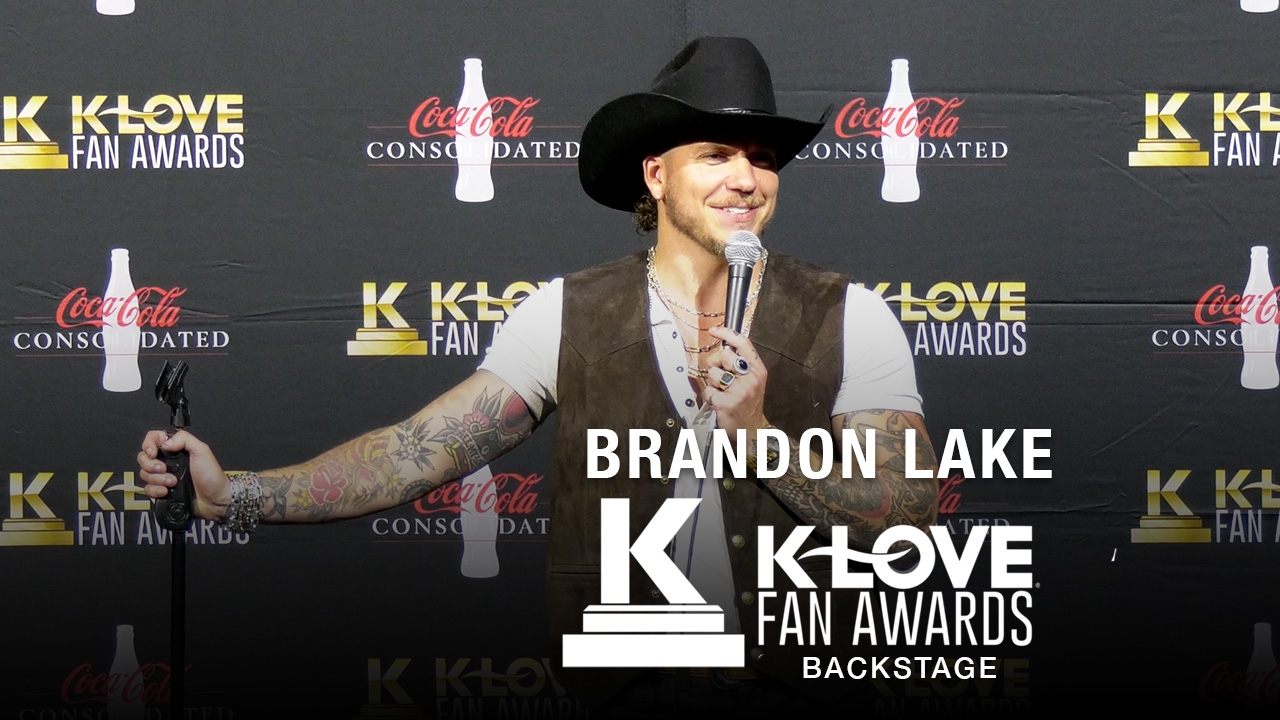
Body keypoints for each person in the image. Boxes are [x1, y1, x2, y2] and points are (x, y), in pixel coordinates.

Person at [138, 36, 938, 712]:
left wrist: (759, 438)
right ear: (656, 176)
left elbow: (906, 516)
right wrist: (232, 494)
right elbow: (416, 452)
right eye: (716, 155)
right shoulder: (568, 314)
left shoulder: (849, 315)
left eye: (762, 159)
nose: (746, 179)